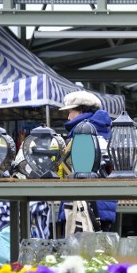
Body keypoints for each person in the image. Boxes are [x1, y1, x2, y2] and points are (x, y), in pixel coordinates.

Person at [56, 91, 117, 233]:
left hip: (84, 206)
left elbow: (79, 173)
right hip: (104, 205)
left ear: (82, 111)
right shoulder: (104, 130)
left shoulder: (83, 132)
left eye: (71, 112)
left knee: (79, 253)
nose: (68, 117)